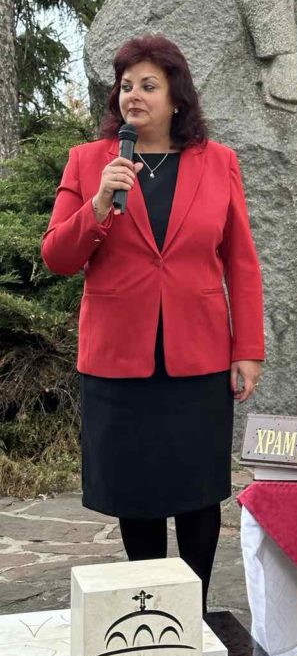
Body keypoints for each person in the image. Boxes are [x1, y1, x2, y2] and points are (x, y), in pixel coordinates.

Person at [42, 35, 265, 610]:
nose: (134, 96)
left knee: (197, 492)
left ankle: (192, 614)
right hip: (119, 358)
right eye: (126, 86)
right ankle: (154, 610)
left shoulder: (219, 162)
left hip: (198, 356)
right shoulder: (89, 161)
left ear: (176, 97)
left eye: (148, 85)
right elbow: (57, 256)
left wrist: (248, 348)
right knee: (135, 492)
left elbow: (241, 261)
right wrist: (97, 206)